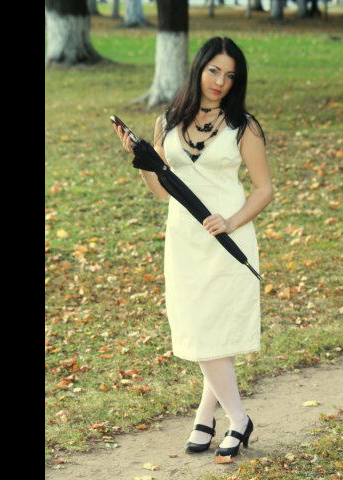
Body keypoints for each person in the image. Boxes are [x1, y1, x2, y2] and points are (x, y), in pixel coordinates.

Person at [112, 36, 273, 460]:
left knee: (211, 329)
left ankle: (237, 418)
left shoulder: (244, 126)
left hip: (227, 238)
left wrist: (231, 221)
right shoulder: (167, 122)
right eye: (214, 70)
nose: (220, 81)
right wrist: (142, 160)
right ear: (199, 68)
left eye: (230, 75)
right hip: (185, 240)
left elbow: (264, 189)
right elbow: (163, 191)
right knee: (202, 328)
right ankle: (206, 415)